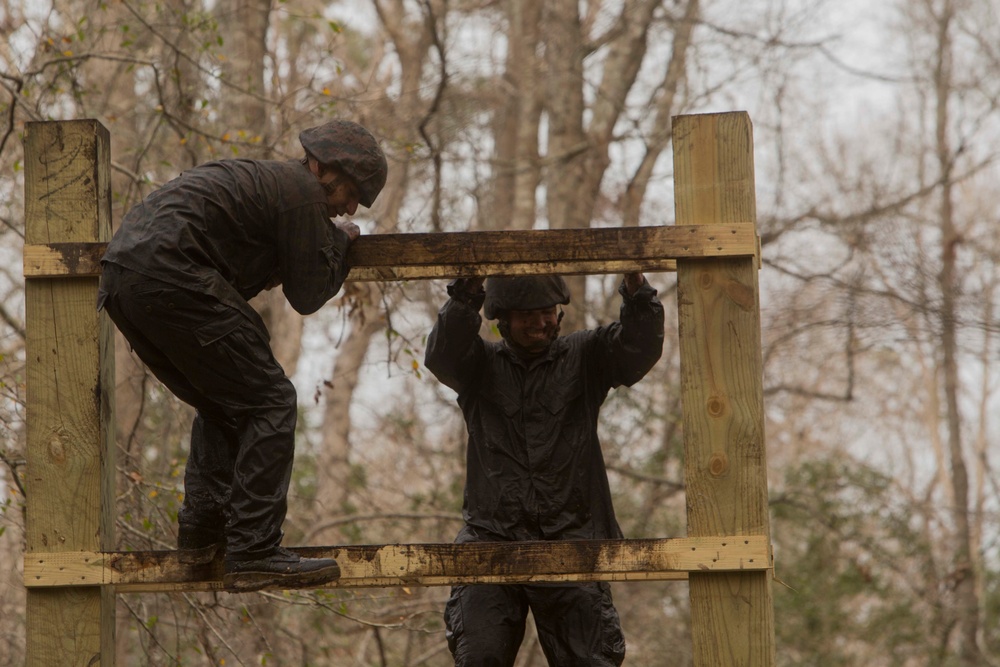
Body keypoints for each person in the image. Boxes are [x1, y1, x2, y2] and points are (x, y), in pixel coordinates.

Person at [97, 120, 387, 592]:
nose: (350, 207)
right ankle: (253, 550)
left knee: (225, 401)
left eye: (358, 201)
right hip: (172, 272)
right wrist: (342, 241)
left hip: (124, 280)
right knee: (271, 401)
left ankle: (200, 537)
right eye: (350, 191)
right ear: (320, 166)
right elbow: (309, 292)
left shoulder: (272, 187)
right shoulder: (300, 191)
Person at [424, 272, 664, 666]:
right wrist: (466, 296)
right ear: (502, 321)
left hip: (573, 535)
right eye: (527, 316)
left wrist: (638, 292)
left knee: (589, 660)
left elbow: (638, 348)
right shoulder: (478, 365)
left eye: (547, 313)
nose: (540, 323)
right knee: (479, 655)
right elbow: (442, 354)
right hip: (491, 537)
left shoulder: (586, 355)